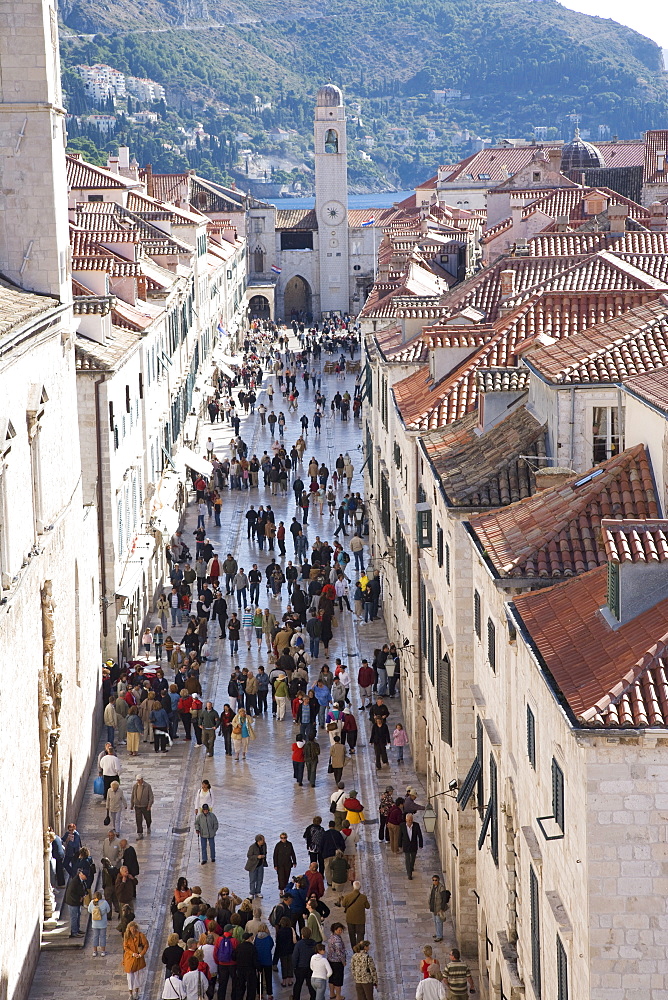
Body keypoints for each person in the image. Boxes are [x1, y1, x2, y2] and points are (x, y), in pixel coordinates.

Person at [123, 921, 149, 999]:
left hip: (138, 959)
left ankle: (136, 992)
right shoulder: (126, 935)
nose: (133, 931)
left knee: (138, 976)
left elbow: (146, 945)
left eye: (134, 929)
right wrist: (132, 953)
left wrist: (141, 954)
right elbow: (125, 947)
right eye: (131, 930)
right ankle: (130, 994)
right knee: (129, 977)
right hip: (129, 958)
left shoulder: (141, 935)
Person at [341, 882, 370, 948]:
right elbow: (368, 906)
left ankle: (354, 948)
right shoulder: (363, 897)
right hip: (360, 920)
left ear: (353, 887)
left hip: (350, 919)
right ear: (360, 888)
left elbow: (343, 904)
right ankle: (359, 947)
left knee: (352, 934)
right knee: (360, 934)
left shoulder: (347, 896)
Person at [292, 927, 317, 1000]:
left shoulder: (299, 944)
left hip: (300, 968)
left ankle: (296, 998)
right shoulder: (314, 943)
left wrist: (294, 966)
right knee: (311, 985)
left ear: (302, 935)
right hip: (311, 967)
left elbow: (295, 957)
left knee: (298, 984)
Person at [399, 812, 424, 880]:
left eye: (411, 820)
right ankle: (409, 874)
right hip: (406, 845)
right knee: (407, 859)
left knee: (413, 858)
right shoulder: (402, 826)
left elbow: (420, 835)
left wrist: (421, 844)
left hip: (413, 845)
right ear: (406, 820)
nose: (410, 821)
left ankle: (411, 866)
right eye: (409, 820)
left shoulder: (416, 825)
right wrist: (400, 845)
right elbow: (400, 835)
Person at [234, 931, 258, 1000]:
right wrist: (258, 968)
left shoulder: (239, 947)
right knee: (251, 987)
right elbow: (255, 960)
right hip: (250, 970)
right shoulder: (252, 947)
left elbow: (234, 956)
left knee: (240, 986)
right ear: (249, 938)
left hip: (240, 969)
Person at [65, 868, 88, 936]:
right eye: (85, 876)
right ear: (81, 875)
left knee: (78, 916)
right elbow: (72, 893)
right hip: (73, 901)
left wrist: (83, 894)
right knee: (74, 917)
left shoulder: (80, 880)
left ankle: (77, 929)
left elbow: (83, 888)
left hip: (76, 901)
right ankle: (74, 932)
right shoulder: (75, 882)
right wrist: (79, 898)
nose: (86, 878)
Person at [88, 888, 111, 957]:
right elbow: (108, 910)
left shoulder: (92, 903)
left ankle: (95, 951)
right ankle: (103, 951)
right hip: (103, 923)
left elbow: (89, 911)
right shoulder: (104, 903)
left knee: (95, 936)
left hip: (95, 923)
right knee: (103, 936)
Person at [131, 773, 154, 839]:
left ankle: (148, 826)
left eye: (139, 780)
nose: (138, 781)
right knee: (138, 820)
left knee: (148, 818)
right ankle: (140, 833)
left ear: (142, 779)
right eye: (137, 780)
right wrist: (132, 804)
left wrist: (149, 805)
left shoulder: (147, 786)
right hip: (137, 806)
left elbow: (151, 796)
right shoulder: (135, 786)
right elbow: (133, 795)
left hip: (145, 806)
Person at [254, 923, 274, 998]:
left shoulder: (256, 937)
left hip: (259, 960)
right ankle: (269, 994)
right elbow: (271, 945)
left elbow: (254, 946)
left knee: (259, 977)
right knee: (268, 977)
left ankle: (260, 993)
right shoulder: (268, 938)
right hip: (267, 960)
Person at [429, 874, 451, 943]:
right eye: (433, 880)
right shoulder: (432, 886)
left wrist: (442, 908)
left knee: (439, 922)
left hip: (438, 908)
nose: (434, 881)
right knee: (435, 921)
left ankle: (439, 936)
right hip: (433, 907)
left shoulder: (441, 888)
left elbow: (444, 899)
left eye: (436, 880)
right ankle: (437, 933)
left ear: (438, 880)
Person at [246, 834, 268, 898]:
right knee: (252, 879)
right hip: (253, 865)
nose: (264, 841)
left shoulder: (264, 845)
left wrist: (264, 856)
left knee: (260, 879)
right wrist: (257, 857)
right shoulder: (252, 847)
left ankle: (258, 891)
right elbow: (249, 856)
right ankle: (252, 892)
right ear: (259, 841)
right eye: (262, 840)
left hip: (260, 864)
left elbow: (265, 852)